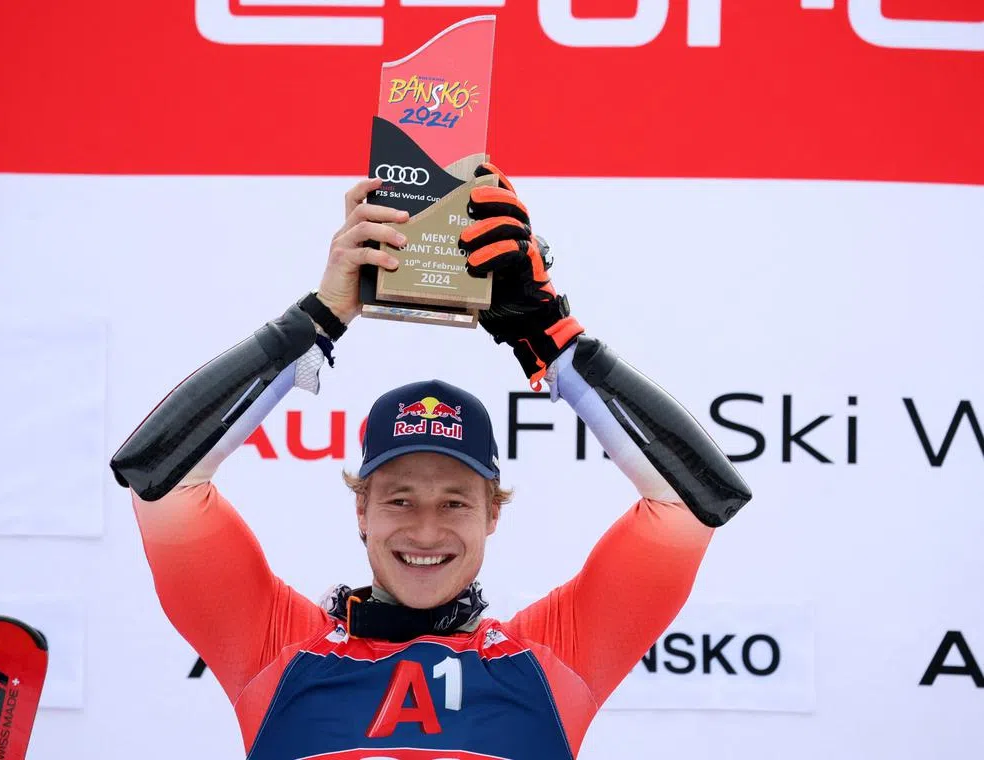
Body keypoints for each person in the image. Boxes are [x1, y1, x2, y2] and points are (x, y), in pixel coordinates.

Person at [110, 165, 752, 759]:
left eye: (453, 501)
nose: (424, 530)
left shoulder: (553, 657)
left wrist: (552, 338)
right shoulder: (272, 646)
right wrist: (317, 321)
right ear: (360, 508)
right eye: (399, 498)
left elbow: (697, 501)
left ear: (491, 513)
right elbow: (156, 475)